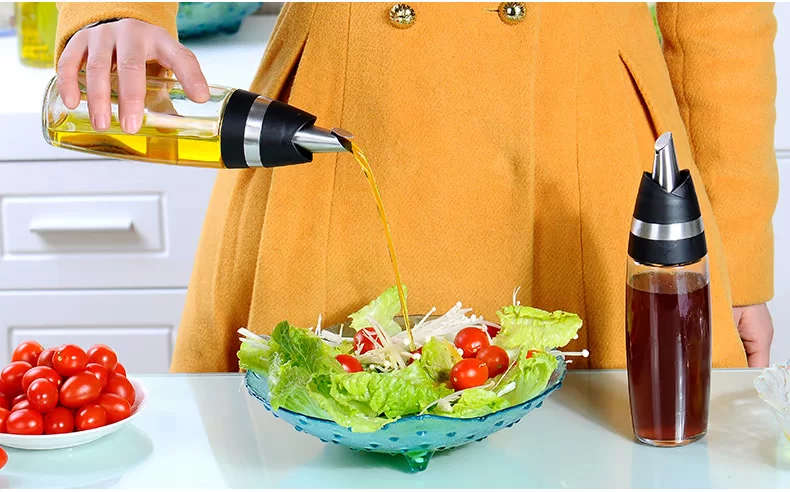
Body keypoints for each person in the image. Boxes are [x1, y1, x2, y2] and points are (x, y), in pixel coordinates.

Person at [53, 2, 778, 371]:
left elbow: (722, 22)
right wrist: (117, 12)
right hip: (344, 122)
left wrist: (739, 257)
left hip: (587, 148)